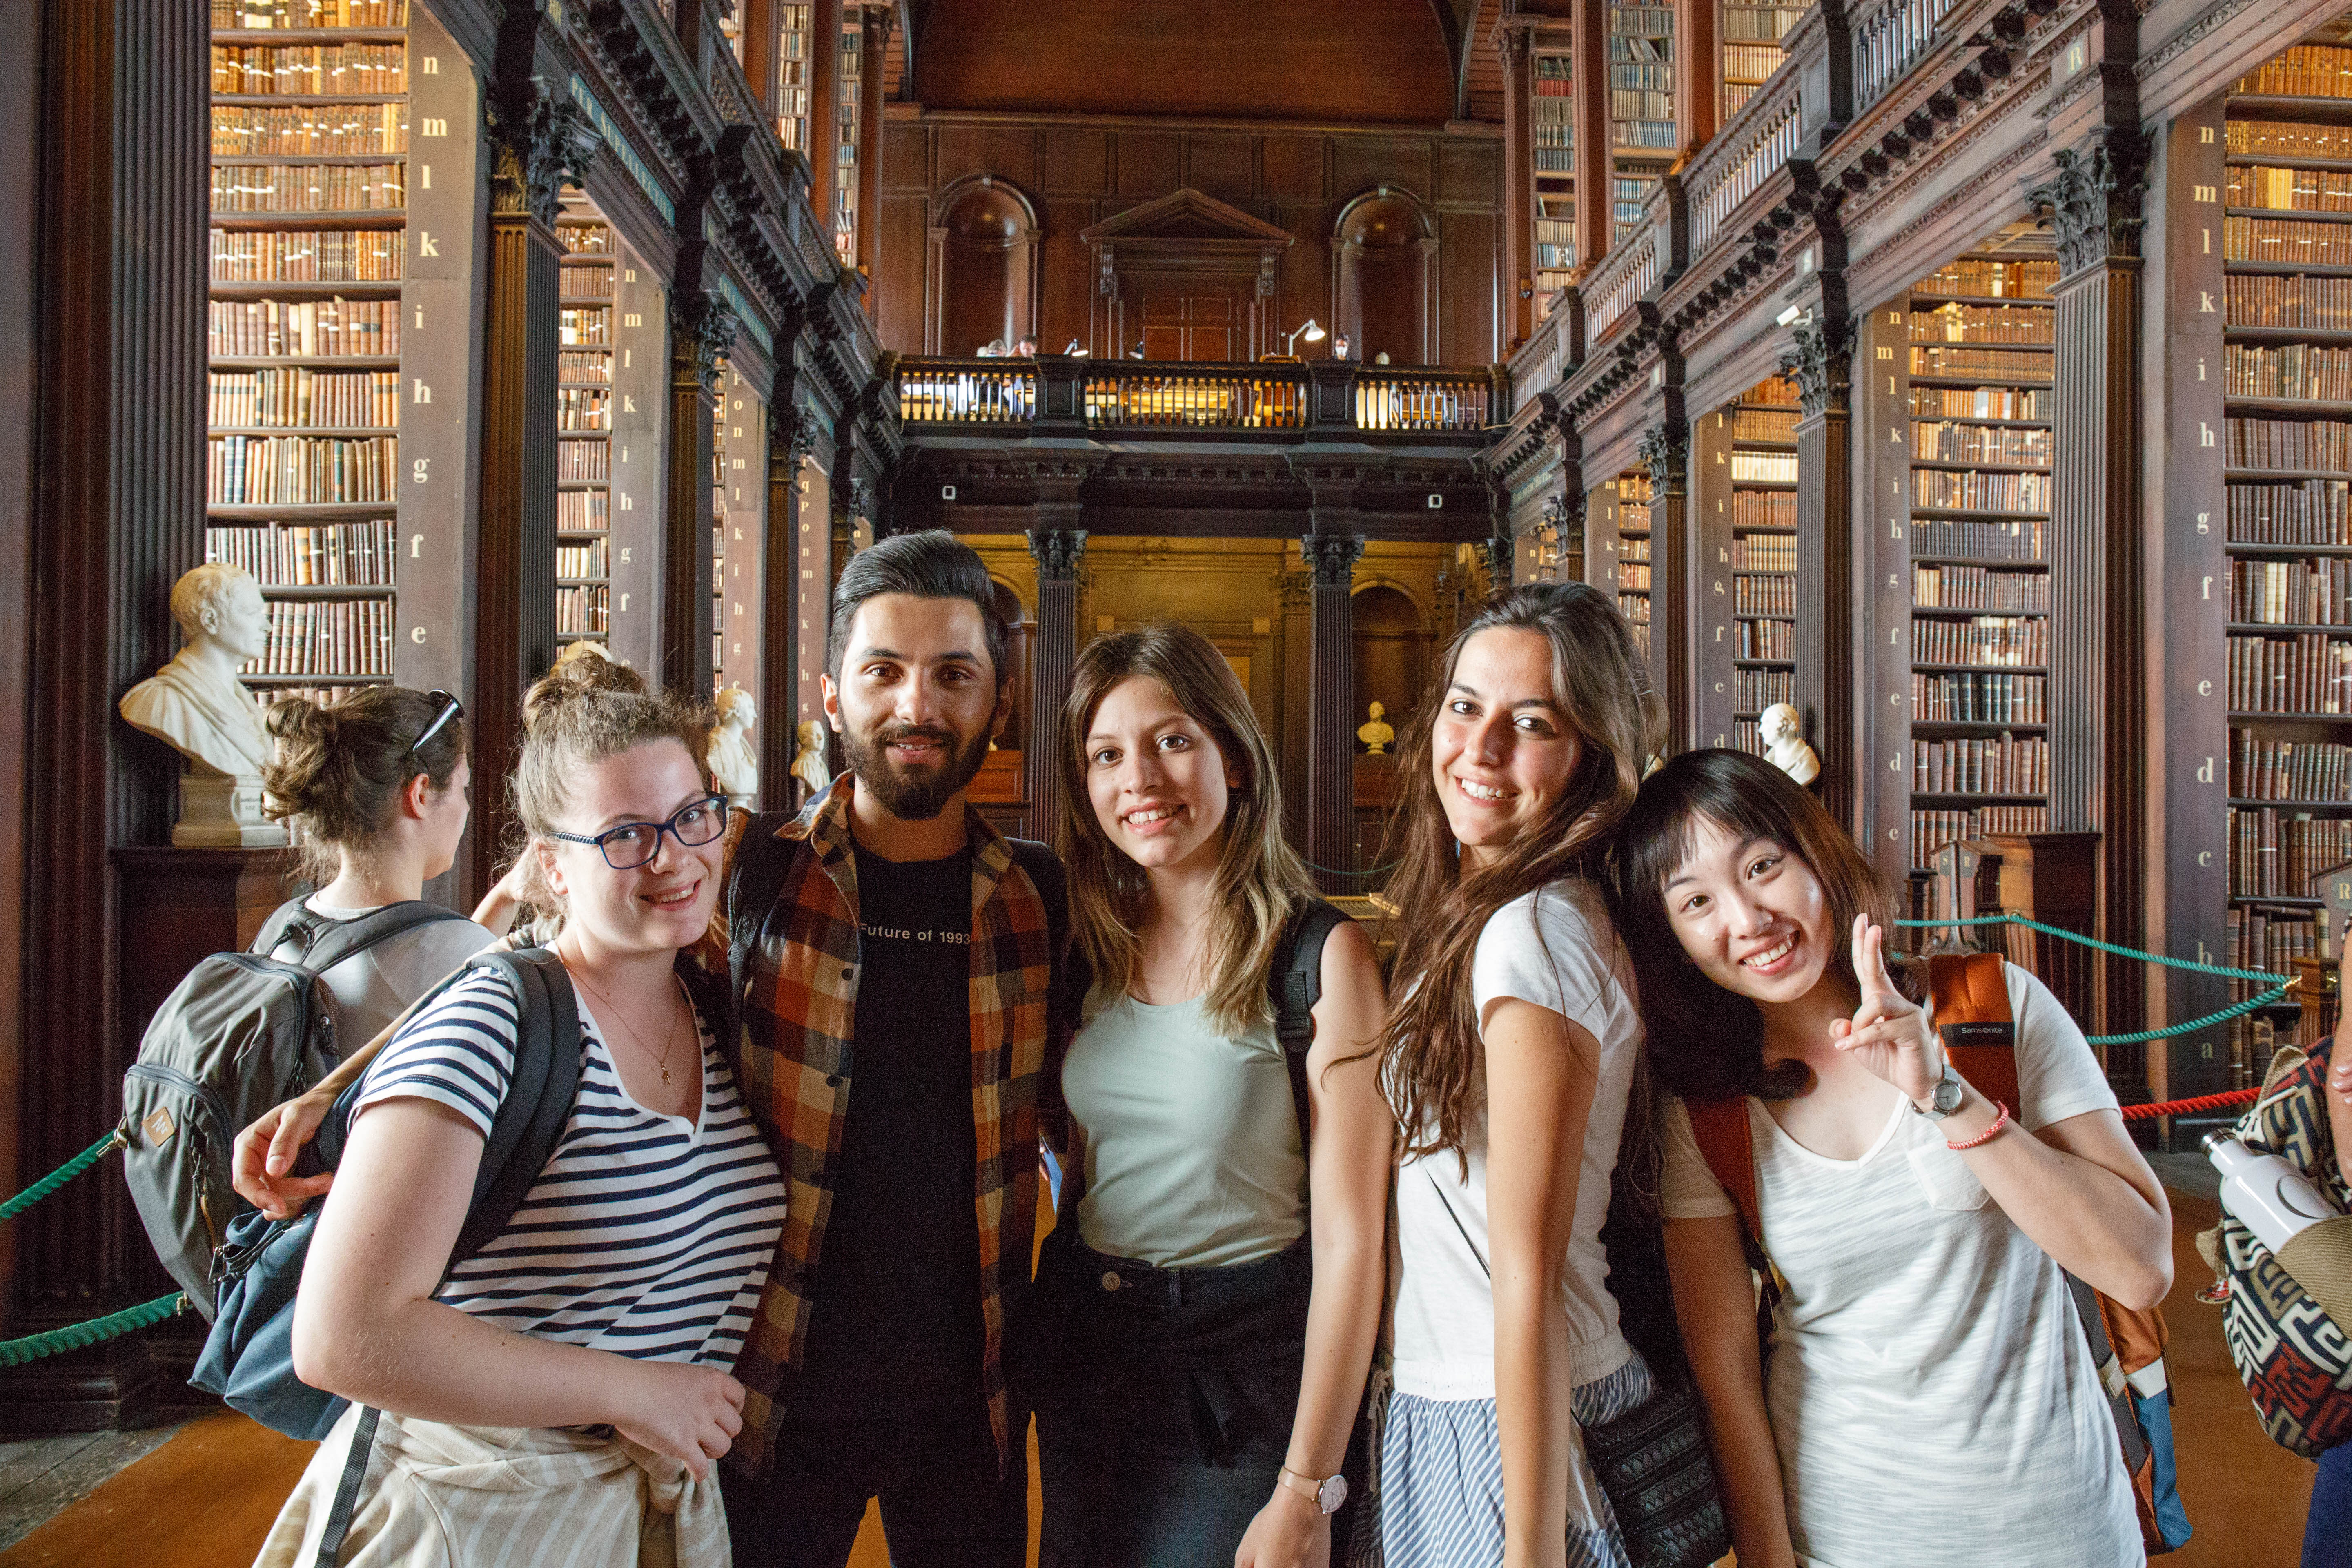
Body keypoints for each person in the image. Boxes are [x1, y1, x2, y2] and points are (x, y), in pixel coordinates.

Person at [253, 685, 790, 1566]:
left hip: (638, 1511)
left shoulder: (711, 1007)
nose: (674, 858)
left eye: (693, 815)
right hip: (478, 1514)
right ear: (552, 868)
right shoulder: (495, 1019)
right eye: (625, 835)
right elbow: (344, 1334)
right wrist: (638, 1392)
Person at [1610, 748, 2172, 1568]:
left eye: (1762, 865)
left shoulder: (1990, 1006)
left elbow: (2140, 1268)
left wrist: (1949, 1099)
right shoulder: (1707, 1108)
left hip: (2058, 1529)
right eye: (1696, 901)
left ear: (1815, 854)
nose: (1748, 918)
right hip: (1845, 1531)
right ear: (1674, 941)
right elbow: (1724, 1375)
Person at [713, 529, 1072, 1568]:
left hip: (972, 1407)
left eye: (953, 674)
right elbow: (566, 970)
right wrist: (334, 1092)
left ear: (995, 702)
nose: (916, 706)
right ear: (833, 694)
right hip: (767, 1392)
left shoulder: (1040, 895)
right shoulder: (744, 877)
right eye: (883, 670)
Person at [1028, 626, 1390, 1568]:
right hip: (1091, 1350)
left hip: (1246, 1378)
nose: (1138, 779)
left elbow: (1352, 1245)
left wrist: (1306, 1485)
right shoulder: (1082, 948)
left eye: (1172, 740)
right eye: (1105, 754)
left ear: (1231, 751)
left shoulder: (1320, 958)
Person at [1371, 582, 1666, 1568]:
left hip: (1511, 1419)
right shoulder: (1500, 916)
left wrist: (1528, 1546)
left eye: (1529, 722)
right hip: (1468, 1393)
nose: (1480, 749)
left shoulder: (1529, 933)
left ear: (1590, 755)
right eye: (1463, 706)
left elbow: (1525, 1274)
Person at [257, 686, 497, 1046]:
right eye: (463, 787)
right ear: (419, 795)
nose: (466, 808)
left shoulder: (281, 928)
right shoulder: (456, 951)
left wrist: (505, 897)